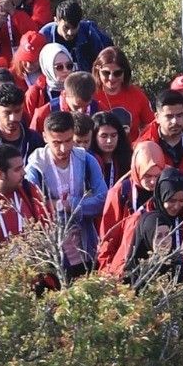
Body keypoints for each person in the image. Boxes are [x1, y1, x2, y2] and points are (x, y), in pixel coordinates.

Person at [25, 111, 108, 276]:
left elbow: (103, 199)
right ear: (45, 137)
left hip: (85, 244)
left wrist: (70, 204)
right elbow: (32, 207)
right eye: (56, 142)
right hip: (53, 250)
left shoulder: (86, 160)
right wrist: (55, 207)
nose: (63, 148)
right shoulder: (36, 167)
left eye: (69, 141)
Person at [109, 167, 183, 285]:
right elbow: (124, 260)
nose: (176, 206)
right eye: (171, 200)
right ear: (161, 195)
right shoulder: (142, 220)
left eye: (181, 200)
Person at [96, 140, 166, 271]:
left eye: (157, 176)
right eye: (147, 176)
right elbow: (108, 239)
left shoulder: (168, 187)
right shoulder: (120, 193)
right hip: (126, 265)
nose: (152, 182)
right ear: (136, 169)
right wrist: (107, 271)